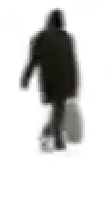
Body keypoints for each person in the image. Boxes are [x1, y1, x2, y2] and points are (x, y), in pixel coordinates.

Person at [20, 9, 79, 152]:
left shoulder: (40, 38)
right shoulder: (67, 38)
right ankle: (53, 138)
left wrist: (26, 77)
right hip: (64, 81)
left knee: (57, 110)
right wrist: (75, 83)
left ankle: (51, 136)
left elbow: (33, 60)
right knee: (59, 109)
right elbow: (72, 63)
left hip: (49, 81)